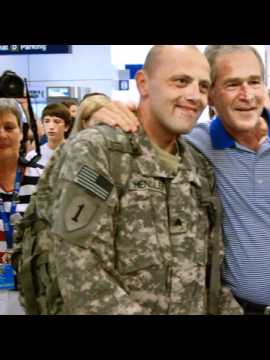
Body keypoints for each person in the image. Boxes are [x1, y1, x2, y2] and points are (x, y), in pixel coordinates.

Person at [93, 45, 270, 315]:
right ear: (210, 96)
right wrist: (102, 117)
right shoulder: (193, 145)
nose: (247, 95)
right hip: (232, 307)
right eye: (232, 84)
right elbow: (145, 135)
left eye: (254, 82)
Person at [48, 45, 241, 314]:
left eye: (203, 86)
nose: (194, 96)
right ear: (143, 83)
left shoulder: (199, 168)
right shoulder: (99, 151)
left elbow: (210, 278)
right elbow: (80, 271)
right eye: (181, 81)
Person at [0, 98, 40, 315]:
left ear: (22, 132)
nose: (2, 135)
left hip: (33, 293)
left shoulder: (44, 179)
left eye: (9, 127)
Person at [25, 103, 72, 175]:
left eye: (57, 122)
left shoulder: (77, 153)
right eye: (47, 121)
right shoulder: (32, 156)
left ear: (66, 127)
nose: (51, 127)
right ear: (42, 124)